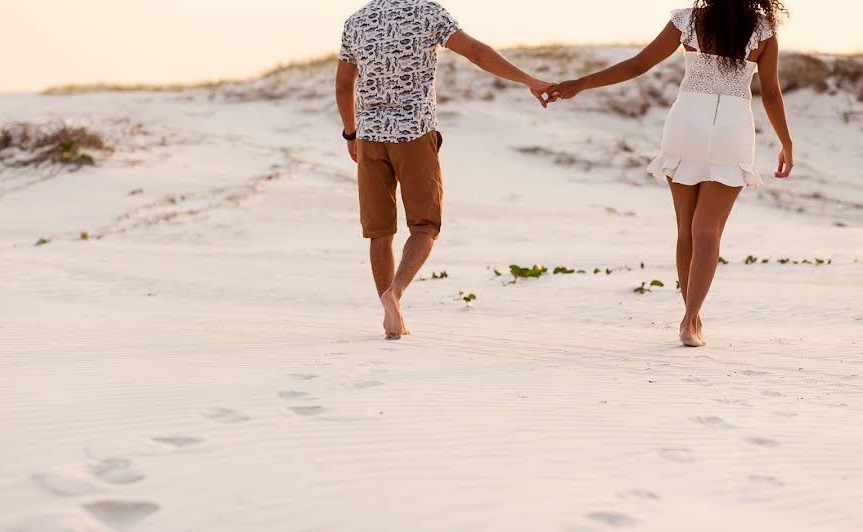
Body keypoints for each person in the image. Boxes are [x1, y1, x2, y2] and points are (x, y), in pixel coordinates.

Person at [547, 0, 793, 347]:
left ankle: (690, 320)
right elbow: (770, 93)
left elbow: (638, 64)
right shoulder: (764, 29)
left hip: (686, 124)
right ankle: (690, 319)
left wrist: (580, 84)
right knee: (707, 231)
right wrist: (786, 143)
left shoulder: (689, 20)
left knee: (686, 231)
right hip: (732, 130)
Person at [336, 0, 552, 340]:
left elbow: (343, 85)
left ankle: (390, 314)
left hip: (370, 137)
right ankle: (395, 292)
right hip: (414, 134)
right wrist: (528, 79)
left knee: (380, 231)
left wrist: (351, 133)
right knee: (424, 225)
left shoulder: (357, 20)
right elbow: (476, 53)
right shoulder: (428, 12)